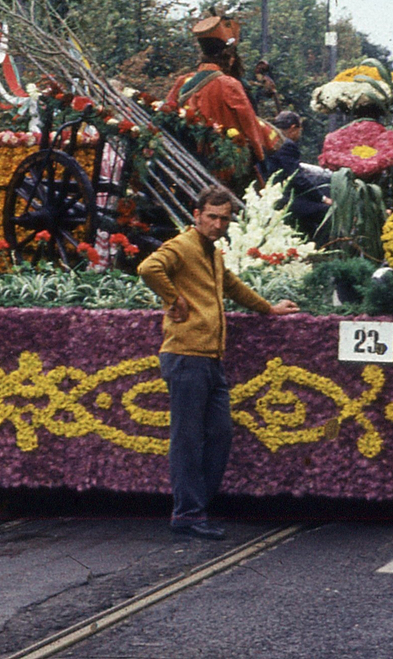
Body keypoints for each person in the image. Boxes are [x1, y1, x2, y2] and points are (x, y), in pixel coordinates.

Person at [137, 185, 298, 540]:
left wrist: (268, 308)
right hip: (185, 355)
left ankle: (198, 506)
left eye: (224, 218)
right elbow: (149, 268)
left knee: (220, 434)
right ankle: (188, 513)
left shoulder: (213, 253)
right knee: (187, 439)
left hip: (209, 357)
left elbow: (234, 287)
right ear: (197, 216)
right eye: (211, 216)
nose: (217, 224)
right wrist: (173, 298)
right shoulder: (183, 245)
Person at [165, 14, 278, 166]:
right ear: (229, 59)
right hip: (225, 165)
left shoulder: (183, 81)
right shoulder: (229, 84)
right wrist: (260, 155)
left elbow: (167, 114)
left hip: (189, 161)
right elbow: (249, 125)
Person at [262, 111, 332, 239]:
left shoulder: (270, 140)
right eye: (300, 129)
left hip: (273, 193)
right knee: (328, 212)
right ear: (294, 128)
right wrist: (322, 198)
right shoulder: (287, 145)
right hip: (285, 199)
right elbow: (297, 178)